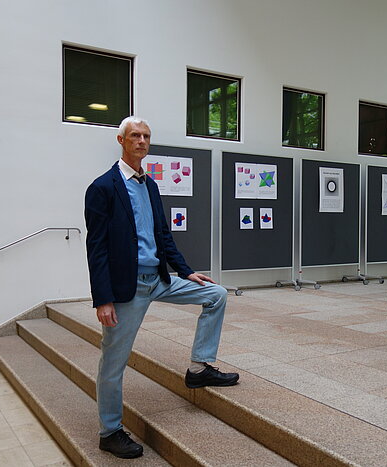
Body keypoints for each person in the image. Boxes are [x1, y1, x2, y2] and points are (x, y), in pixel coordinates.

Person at [84, 116, 239, 459]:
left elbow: (163, 236)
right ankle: (109, 431)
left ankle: (199, 368)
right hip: (127, 288)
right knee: (113, 362)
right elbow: (96, 248)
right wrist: (103, 299)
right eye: (134, 135)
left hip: (159, 279)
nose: (141, 141)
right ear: (121, 140)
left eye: (146, 136)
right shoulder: (103, 187)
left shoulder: (150, 185)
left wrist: (187, 271)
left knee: (215, 294)